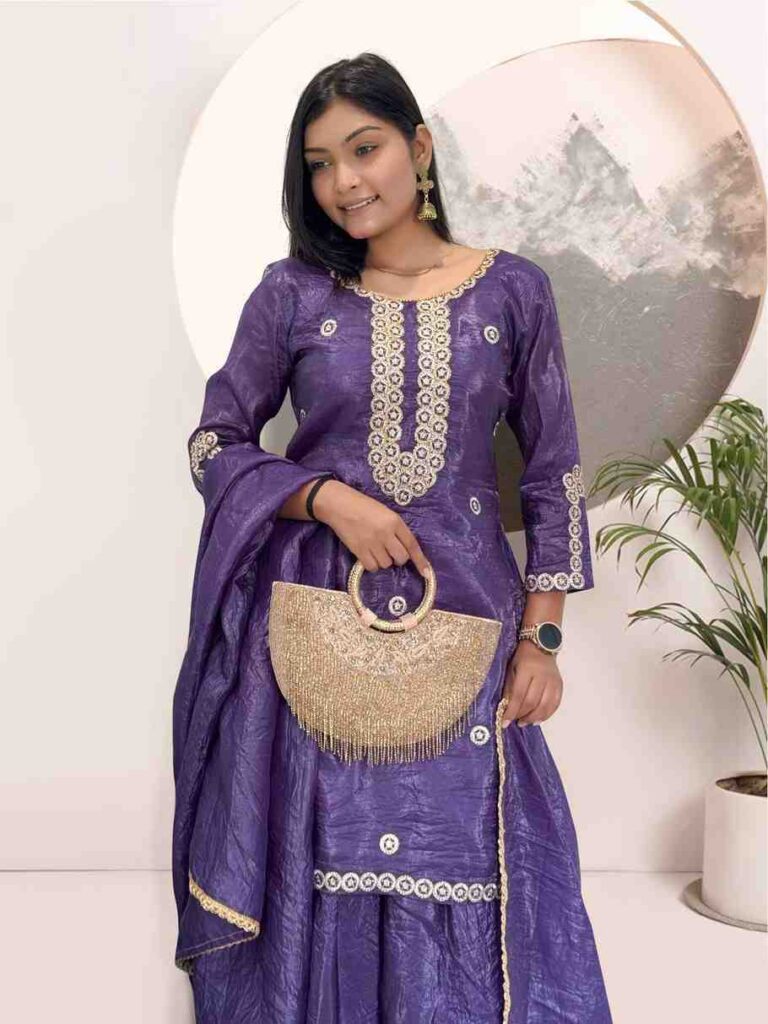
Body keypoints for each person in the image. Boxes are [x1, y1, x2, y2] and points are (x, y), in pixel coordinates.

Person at [172, 51, 613, 1024]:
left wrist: (542, 638)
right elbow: (214, 443)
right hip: (321, 633)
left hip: (469, 622)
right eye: (320, 164)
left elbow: (553, 473)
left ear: (417, 146)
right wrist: (326, 497)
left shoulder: (514, 291)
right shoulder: (293, 294)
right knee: (326, 848)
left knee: (465, 844)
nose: (344, 181)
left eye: (363, 148)